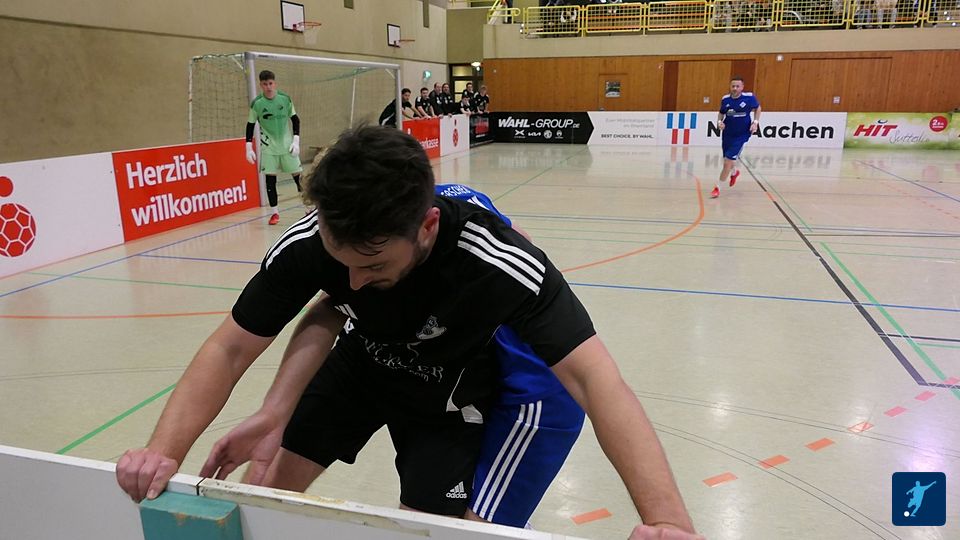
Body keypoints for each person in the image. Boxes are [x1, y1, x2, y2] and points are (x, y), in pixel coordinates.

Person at [115, 126, 701, 539]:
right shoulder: (317, 242)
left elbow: (599, 382)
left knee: (432, 531)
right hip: (366, 359)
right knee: (265, 482)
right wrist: (163, 452)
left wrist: (667, 520)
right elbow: (231, 346)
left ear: (426, 226)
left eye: (372, 265)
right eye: (340, 260)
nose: (352, 280)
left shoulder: (496, 263)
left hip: (449, 387)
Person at [245, 70, 304, 225]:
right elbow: (250, 125)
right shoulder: (257, 104)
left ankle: (308, 208)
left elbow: (295, 120)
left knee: (299, 178)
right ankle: (274, 214)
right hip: (268, 148)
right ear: (260, 85)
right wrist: (248, 147)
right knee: (270, 180)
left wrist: (296, 141)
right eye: (265, 84)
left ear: (275, 83)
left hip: (287, 145)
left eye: (270, 83)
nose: (268, 87)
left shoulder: (285, 99)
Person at [711, 77, 760, 199]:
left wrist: (755, 122)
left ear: (742, 87)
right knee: (727, 159)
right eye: (733, 86)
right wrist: (719, 122)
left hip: (741, 135)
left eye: (737, 86)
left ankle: (717, 188)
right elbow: (721, 113)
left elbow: (758, 108)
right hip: (728, 134)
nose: (735, 88)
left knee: (727, 162)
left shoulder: (749, 97)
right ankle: (734, 173)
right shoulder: (725, 99)